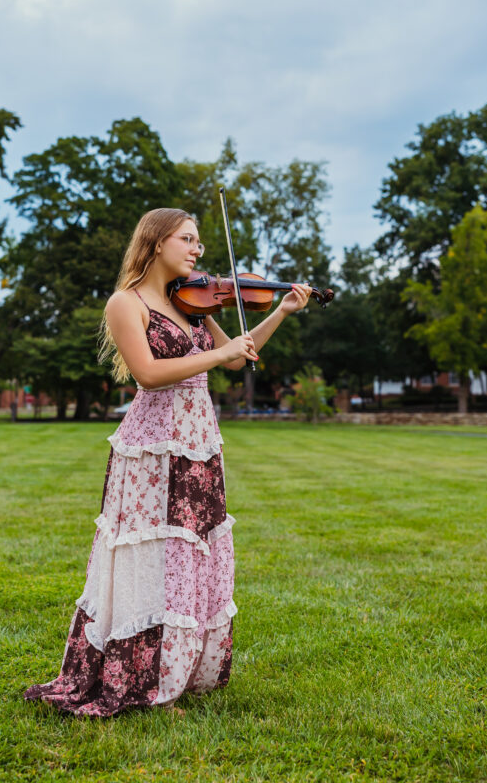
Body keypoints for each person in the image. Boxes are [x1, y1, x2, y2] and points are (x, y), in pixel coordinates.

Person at [23, 208, 311, 717]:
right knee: (153, 554)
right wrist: (219, 357)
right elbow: (150, 373)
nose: (198, 250)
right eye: (188, 239)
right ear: (156, 242)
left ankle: (174, 674)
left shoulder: (194, 304)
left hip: (199, 439)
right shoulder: (125, 302)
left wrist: (281, 312)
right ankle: (139, 677)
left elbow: (241, 356)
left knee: (192, 552)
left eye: (199, 241)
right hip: (153, 447)